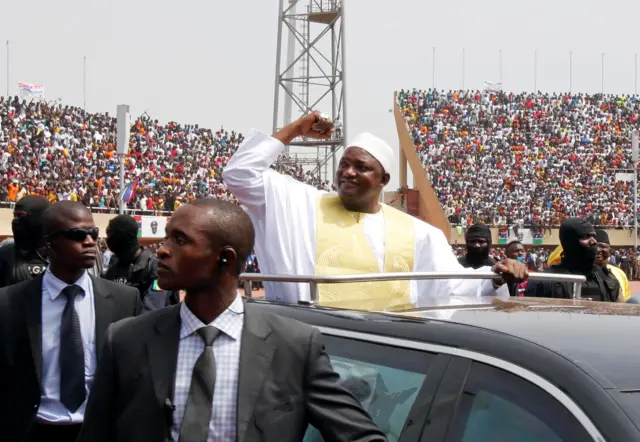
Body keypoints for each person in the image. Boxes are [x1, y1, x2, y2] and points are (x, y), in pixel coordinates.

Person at [77, 199, 385, 442]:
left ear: (223, 258)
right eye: (167, 237)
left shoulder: (295, 347)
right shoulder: (126, 339)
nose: (162, 250)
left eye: (180, 240)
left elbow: (358, 435)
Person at [222, 112, 527, 310]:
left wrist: (495, 276)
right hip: (310, 345)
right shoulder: (300, 204)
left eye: (361, 167)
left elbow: (451, 286)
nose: (348, 172)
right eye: (344, 164)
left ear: (383, 181)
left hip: (385, 358)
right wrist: (297, 129)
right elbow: (239, 174)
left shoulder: (419, 233)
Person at [0, 201, 142, 442]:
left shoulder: (125, 300)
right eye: (77, 235)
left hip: (98, 431)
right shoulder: (9, 303)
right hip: (33, 431)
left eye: (93, 233)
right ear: (47, 244)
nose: (89, 242)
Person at [525, 218, 621, 302]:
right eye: (586, 237)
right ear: (570, 242)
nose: (594, 242)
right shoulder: (544, 281)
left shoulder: (608, 279)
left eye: (594, 236)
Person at [103, 215, 158, 301]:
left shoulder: (154, 267)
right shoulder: (112, 270)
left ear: (123, 238)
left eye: (111, 236)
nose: (108, 240)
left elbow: (154, 306)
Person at [0, 195, 51, 287]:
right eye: (15, 216)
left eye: (20, 215)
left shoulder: (61, 254)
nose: (15, 221)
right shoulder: (5, 253)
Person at [594, 230, 630, 302]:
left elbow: (625, 302)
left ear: (610, 250)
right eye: (594, 246)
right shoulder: (581, 274)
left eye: (602, 246)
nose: (598, 250)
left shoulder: (619, 273)